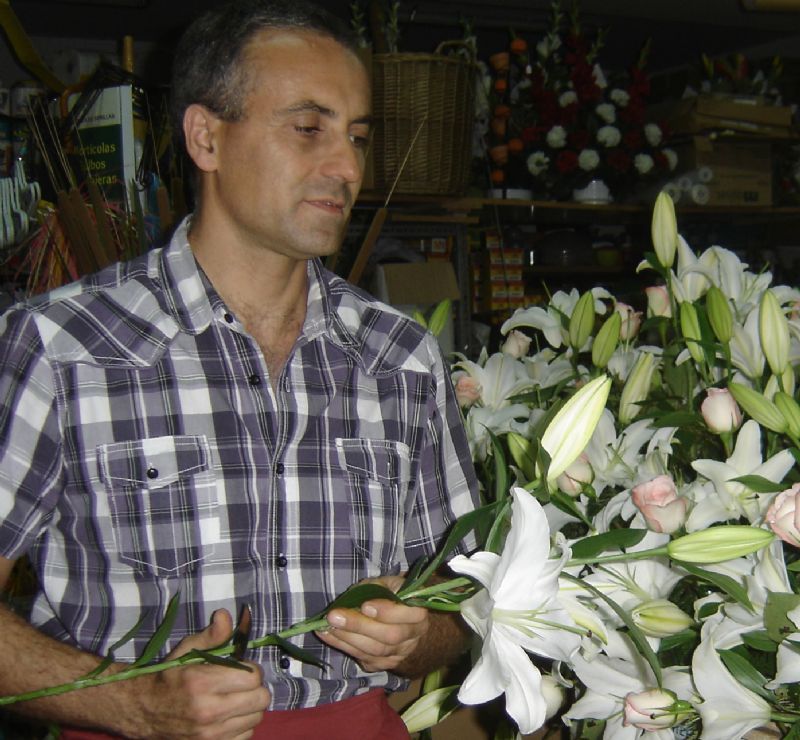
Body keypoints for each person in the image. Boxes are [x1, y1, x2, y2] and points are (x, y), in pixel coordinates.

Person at [0, 0, 480, 737]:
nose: (347, 165)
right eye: (308, 128)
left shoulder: (399, 357)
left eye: (356, 135)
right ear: (206, 137)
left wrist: (423, 633)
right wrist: (129, 700)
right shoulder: (63, 347)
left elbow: (468, 594)